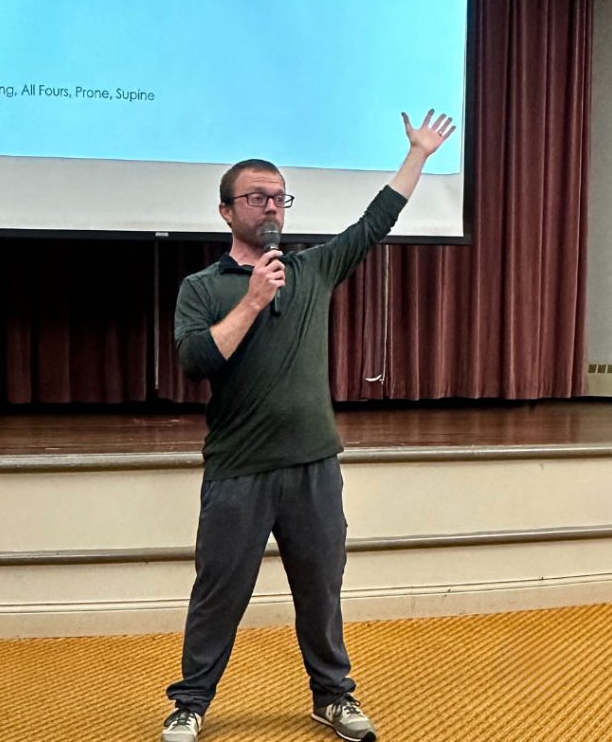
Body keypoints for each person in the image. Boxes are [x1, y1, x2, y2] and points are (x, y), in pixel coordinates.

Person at [161, 111, 456, 742]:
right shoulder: (202, 287)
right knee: (219, 596)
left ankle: (332, 696)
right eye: (256, 197)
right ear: (226, 212)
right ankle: (190, 702)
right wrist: (253, 300)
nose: (271, 206)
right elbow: (195, 363)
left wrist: (419, 156)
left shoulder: (315, 268)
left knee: (320, 593)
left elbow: (375, 222)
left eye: (279, 197)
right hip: (239, 471)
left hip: (314, 466)